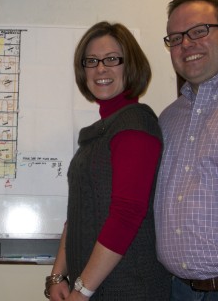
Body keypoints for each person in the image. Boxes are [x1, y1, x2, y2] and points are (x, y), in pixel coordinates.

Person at [45, 21, 171, 301]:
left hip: (128, 289)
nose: (101, 69)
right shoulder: (103, 130)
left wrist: (82, 290)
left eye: (112, 59)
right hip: (94, 285)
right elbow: (78, 211)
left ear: (131, 65)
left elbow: (126, 215)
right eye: (91, 61)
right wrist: (57, 276)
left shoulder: (135, 125)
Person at [154, 0, 218, 301]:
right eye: (175, 38)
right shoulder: (169, 117)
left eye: (199, 31)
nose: (186, 44)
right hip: (179, 291)